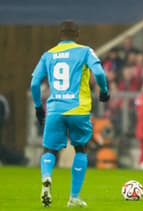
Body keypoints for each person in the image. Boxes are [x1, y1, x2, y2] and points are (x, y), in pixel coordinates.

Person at [30, 20, 110, 208]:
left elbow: (34, 83)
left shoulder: (48, 55)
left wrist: (37, 106)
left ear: (60, 35)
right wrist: (104, 90)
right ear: (77, 34)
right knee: (80, 149)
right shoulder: (84, 51)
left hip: (55, 109)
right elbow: (98, 72)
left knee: (49, 150)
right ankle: (73, 197)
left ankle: (47, 176)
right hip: (78, 110)